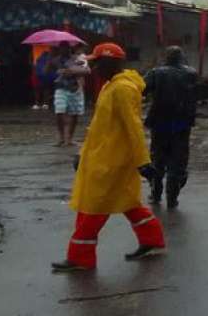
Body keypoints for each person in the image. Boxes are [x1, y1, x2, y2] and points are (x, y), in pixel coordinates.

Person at [51, 42, 166, 273]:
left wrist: (143, 161)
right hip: (102, 157)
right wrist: (82, 153)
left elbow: (133, 127)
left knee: (93, 207)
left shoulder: (122, 89)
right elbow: (98, 127)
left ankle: (80, 258)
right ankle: (152, 241)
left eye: (96, 63)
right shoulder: (110, 86)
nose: (93, 68)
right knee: (129, 203)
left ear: (110, 63)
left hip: (112, 162)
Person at [143, 46, 198, 209]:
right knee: (178, 161)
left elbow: (142, 88)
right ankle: (172, 198)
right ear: (182, 57)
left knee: (157, 160)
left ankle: (156, 194)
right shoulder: (191, 74)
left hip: (160, 122)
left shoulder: (156, 73)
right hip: (182, 123)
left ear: (166, 57)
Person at [50, 42, 91, 147]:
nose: (64, 50)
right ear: (59, 49)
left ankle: (69, 139)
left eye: (66, 48)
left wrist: (72, 71)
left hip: (75, 88)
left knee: (74, 114)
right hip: (61, 88)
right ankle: (62, 137)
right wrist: (52, 64)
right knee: (59, 111)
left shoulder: (77, 59)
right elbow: (46, 71)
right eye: (62, 48)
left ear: (70, 48)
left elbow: (87, 71)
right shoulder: (55, 60)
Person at [32, 46, 55, 110]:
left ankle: (45, 103)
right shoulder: (35, 45)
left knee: (46, 87)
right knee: (37, 87)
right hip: (36, 68)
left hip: (46, 68)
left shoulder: (50, 45)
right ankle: (37, 103)